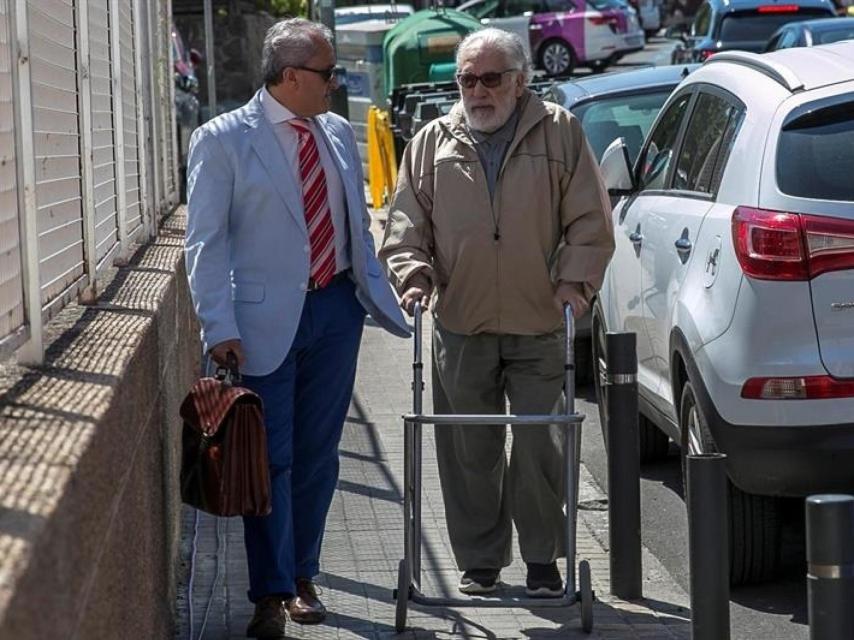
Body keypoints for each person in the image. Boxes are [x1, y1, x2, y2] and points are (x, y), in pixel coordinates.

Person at [184, 18, 409, 639]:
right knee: (270, 460)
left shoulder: (334, 131)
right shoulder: (222, 140)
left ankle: (304, 574)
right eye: (326, 73)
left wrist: (376, 294)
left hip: (336, 311)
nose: (335, 85)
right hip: (259, 324)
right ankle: (271, 592)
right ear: (289, 77)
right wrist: (217, 323)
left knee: (318, 457)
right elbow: (205, 241)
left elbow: (354, 225)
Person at [379, 28, 615, 598]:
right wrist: (412, 273)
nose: (478, 91)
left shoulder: (558, 130)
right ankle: (480, 561)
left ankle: (541, 559)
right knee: (469, 448)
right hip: (462, 321)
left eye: (490, 78)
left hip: (538, 320)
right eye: (467, 79)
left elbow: (589, 217)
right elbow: (405, 221)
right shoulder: (433, 141)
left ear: (520, 80)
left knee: (539, 443)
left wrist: (575, 284)